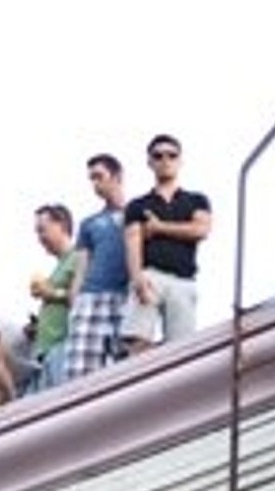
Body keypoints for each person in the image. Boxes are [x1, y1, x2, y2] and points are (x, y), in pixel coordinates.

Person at [122, 135, 213, 350]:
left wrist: (159, 228)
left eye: (172, 155)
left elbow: (201, 230)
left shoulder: (196, 200)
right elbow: (132, 241)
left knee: (181, 349)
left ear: (180, 160)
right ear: (150, 162)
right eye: (158, 155)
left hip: (184, 279)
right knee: (137, 341)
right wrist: (137, 279)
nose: (165, 160)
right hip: (151, 275)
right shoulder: (138, 204)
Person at [64, 153, 128, 380]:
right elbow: (81, 264)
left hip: (127, 297)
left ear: (117, 176)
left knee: (124, 368)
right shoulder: (89, 223)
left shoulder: (139, 212)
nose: (95, 184)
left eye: (99, 176)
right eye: (91, 179)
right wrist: (75, 300)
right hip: (92, 297)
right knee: (79, 372)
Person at [28, 203, 78, 389]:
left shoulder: (78, 258)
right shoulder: (59, 266)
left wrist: (52, 293)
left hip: (63, 347)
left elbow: (80, 297)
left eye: (43, 230)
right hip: (46, 351)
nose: (40, 238)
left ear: (62, 226)